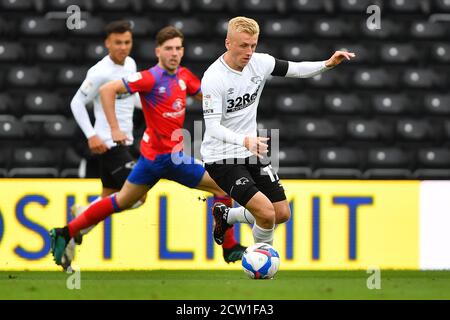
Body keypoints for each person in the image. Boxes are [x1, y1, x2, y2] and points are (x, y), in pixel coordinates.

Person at [50, 26, 246, 267]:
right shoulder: (149, 77)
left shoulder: (183, 76)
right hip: (159, 159)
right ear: (158, 52)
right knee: (222, 187)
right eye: (168, 49)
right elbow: (106, 90)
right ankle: (229, 246)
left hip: (166, 158)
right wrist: (113, 129)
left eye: (177, 48)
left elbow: (205, 96)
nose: (174, 53)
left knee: (120, 201)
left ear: (183, 51)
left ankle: (65, 232)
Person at [201, 16, 355, 246]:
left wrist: (327, 63)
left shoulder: (259, 63)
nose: (249, 51)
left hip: (250, 150)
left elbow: (297, 69)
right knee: (265, 212)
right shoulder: (214, 78)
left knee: (281, 213)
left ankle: (228, 216)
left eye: (253, 45)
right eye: (243, 45)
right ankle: (262, 264)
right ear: (228, 43)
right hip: (222, 157)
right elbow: (212, 128)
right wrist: (244, 140)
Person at [63, 20, 146, 270]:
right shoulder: (100, 72)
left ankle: (77, 225)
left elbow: (134, 101)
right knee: (138, 195)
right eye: (118, 42)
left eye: (127, 42)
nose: (123, 47)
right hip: (109, 144)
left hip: (125, 142)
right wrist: (91, 135)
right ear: (107, 43)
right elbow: (76, 103)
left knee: (108, 200)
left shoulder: (130, 64)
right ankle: (73, 225)